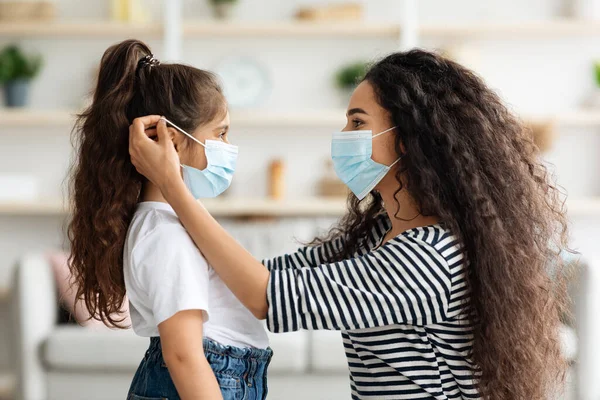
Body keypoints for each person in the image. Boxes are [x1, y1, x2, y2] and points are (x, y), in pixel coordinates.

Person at [129, 50, 570, 399]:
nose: (343, 134)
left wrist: (172, 185)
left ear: (408, 137)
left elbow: (265, 295)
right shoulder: (378, 233)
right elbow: (271, 272)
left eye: (358, 122)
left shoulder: (430, 257)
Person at [68, 39, 271, 400]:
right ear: (172, 142)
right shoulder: (166, 236)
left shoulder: (174, 220)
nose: (228, 145)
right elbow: (182, 355)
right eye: (220, 133)